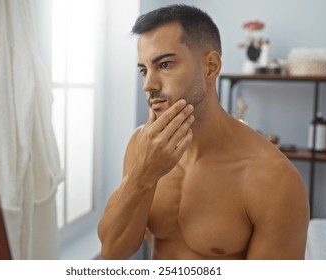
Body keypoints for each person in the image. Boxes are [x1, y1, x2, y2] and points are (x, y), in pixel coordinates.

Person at [98, 4, 309, 260]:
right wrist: (145, 173)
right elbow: (112, 251)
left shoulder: (273, 179)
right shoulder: (142, 146)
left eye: (164, 65)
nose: (148, 85)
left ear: (210, 67)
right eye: (144, 70)